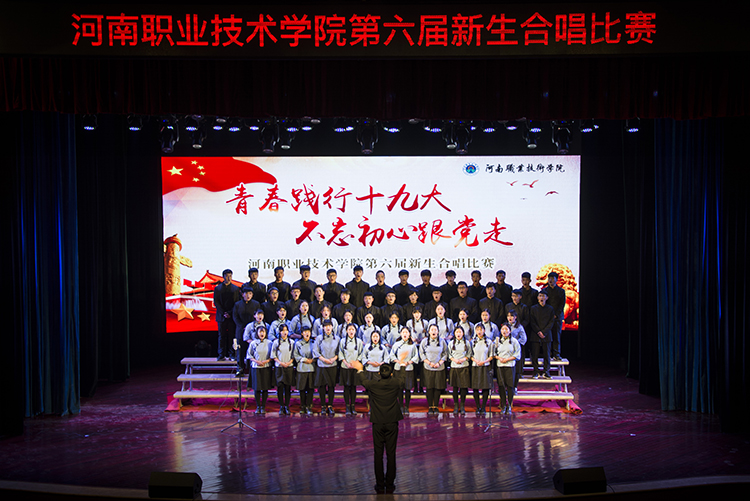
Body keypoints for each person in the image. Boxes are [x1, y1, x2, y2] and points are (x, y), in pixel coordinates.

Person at [350, 359, 407, 494]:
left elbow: (364, 381)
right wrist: (402, 365)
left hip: (378, 422)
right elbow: (402, 378)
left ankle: (380, 484)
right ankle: (390, 484)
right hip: (392, 421)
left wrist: (360, 369)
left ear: (379, 374)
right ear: (391, 374)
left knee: (378, 454)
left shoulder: (374, 384)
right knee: (391, 454)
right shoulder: (395, 383)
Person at [390, 327, 419, 415]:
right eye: (403, 332)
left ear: (409, 334)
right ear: (401, 334)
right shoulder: (397, 344)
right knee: (399, 388)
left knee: (407, 388)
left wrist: (409, 362)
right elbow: (392, 355)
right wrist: (399, 361)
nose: (405, 334)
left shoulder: (412, 345)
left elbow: (416, 356)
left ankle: (406, 406)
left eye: (406, 332)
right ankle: (400, 406)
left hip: (408, 369)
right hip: (398, 368)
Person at [420, 324, 448, 416]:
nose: (433, 331)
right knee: (429, 387)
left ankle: (435, 406)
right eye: (432, 330)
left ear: (438, 331)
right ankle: (430, 406)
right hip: (428, 367)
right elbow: (422, 353)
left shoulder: (442, 341)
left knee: (437, 387)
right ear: (429, 331)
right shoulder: (424, 341)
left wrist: (439, 363)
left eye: (435, 330)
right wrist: (429, 363)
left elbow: (445, 353)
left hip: (439, 368)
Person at [495, 323, 522, 415]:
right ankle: (503, 405)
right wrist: (499, 358)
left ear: (510, 331)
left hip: (510, 365)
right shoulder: (498, 341)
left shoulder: (514, 341)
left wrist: (507, 359)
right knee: (501, 386)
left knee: (510, 386)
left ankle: (509, 405)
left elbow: (517, 354)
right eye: (503, 329)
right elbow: (493, 353)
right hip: (500, 366)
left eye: (506, 329)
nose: (504, 331)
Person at [314, 319, 339, 416]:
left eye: (329, 326)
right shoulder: (319, 338)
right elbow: (316, 351)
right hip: (322, 365)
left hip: (332, 365)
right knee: (322, 386)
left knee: (331, 386)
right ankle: (323, 406)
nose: (328, 328)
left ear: (332, 327)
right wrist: (324, 360)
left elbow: (339, 351)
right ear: (323, 328)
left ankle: (330, 405)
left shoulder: (337, 338)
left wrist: (334, 358)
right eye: (326, 326)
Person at [338, 323, 364, 415]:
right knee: (346, 387)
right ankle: (347, 406)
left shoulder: (359, 341)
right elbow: (340, 353)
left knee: (353, 387)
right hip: (345, 367)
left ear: (355, 331)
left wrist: (355, 363)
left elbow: (361, 354)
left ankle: (353, 406)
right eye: (349, 329)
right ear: (346, 331)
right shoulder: (342, 341)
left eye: (353, 329)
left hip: (354, 368)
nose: (351, 331)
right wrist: (346, 363)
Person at [213, 269, 239, 361]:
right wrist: (223, 313)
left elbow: (236, 303)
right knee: (221, 336)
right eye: (227, 276)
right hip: (221, 316)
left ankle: (232, 354)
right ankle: (221, 354)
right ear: (223, 276)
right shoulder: (218, 288)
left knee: (232, 336)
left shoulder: (235, 289)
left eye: (230, 276)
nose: (228, 278)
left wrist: (229, 313)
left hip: (231, 316)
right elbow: (216, 302)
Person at [232, 285, 260, 370]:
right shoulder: (237, 304)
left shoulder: (256, 304)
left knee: (252, 350)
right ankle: (240, 368)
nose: (248, 295)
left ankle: (251, 369)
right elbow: (235, 317)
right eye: (246, 293)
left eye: (250, 294)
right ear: (242, 294)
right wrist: (242, 326)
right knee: (241, 350)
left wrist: (249, 327)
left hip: (252, 330)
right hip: (241, 330)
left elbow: (257, 317)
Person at [529, 289, 555, 379]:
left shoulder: (550, 308)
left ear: (547, 298)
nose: (541, 298)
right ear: (537, 297)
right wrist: (538, 331)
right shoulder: (533, 308)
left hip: (547, 334)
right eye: (540, 296)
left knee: (547, 354)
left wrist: (544, 332)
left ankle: (546, 371)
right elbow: (532, 321)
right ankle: (536, 371)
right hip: (535, 334)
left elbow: (551, 322)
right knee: (535, 354)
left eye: (543, 296)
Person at [247, 326, 272, 415]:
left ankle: (263, 406)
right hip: (256, 367)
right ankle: (258, 406)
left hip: (266, 367)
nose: (262, 333)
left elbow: (272, 355)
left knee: (265, 388)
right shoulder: (253, 343)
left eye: (263, 332)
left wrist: (266, 361)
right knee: (257, 388)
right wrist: (256, 361)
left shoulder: (269, 343)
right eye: (260, 332)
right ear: (257, 333)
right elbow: (249, 355)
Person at [447, 326, 471, 416]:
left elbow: (469, 354)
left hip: (464, 366)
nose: (458, 334)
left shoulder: (467, 343)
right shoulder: (451, 343)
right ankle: (456, 405)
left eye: (460, 332)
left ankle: (462, 405)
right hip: (454, 366)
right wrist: (454, 360)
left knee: (463, 387)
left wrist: (463, 359)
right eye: (457, 332)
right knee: (455, 387)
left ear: (463, 333)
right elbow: (449, 354)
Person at [541, 271, 566, 361]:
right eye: (549, 278)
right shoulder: (544, 291)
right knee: (547, 337)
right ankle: (547, 354)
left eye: (552, 278)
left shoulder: (561, 291)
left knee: (556, 336)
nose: (550, 280)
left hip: (557, 318)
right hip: (547, 318)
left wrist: (556, 315)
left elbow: (561, 305)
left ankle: (557, 354)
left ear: (556, 279)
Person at [470, 323, 493, 416]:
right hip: (475, 365)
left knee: (485, 387)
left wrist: (483, 362)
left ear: (484, 330)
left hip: (485, 366)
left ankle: (483, 407)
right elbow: (470, 355)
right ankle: (477, 407)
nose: (479, 331)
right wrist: (476, 361)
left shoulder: (489, 342)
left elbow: (491, 355)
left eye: (481, 329)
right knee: (475, 387)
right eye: (477, 330)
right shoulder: (472, 342)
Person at [272, 324, 295, 416]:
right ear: (280, 332)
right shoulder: (276, 342)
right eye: (283, 331)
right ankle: (281, 406)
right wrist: (281, 363)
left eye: (286, 330)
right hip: (279, 367)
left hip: (288, 366)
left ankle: (287, 406)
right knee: (280, 387)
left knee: (288, 387)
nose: (285, 332)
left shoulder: (291, 342)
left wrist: (289, 363)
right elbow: (273, 355)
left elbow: (293, 355)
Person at [293, 326, 316, 416]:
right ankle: (303, 406)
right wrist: (304, 359)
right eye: (305, 332)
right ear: (302, 333)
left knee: (310, 389)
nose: (307, 334)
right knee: (302, 389)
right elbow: (295, 355)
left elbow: (317, 353)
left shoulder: (313, 343)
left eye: (308, 332)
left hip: (311, 368)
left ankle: (309, 406)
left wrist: (312, 360)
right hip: (302, 368)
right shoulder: (298, 343)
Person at [505, 309, 528, 394]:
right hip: (506, 351)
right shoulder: (505, 326)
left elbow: (524, 338)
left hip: (516, 351)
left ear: (515, 317)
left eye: (511, 316)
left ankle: (514, 387)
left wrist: (515, 343)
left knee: (516, 370)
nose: (510, 318)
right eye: (508, 316)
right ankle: (507, 387)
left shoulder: (519, 327)